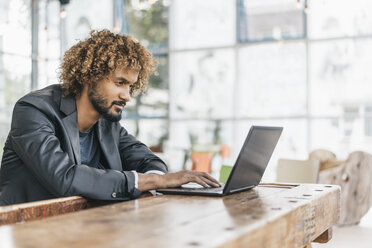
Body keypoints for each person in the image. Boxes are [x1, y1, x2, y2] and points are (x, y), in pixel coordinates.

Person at [0, 30, 220, 206]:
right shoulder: (34, 110)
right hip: (23, 230)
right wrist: (153, 181)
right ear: (89, 75)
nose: (127, 95)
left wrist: (152, 182)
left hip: (84, 228)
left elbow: (148, 161)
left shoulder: (107, 122)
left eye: (131, 86)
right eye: (120, 82)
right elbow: (64, 178)